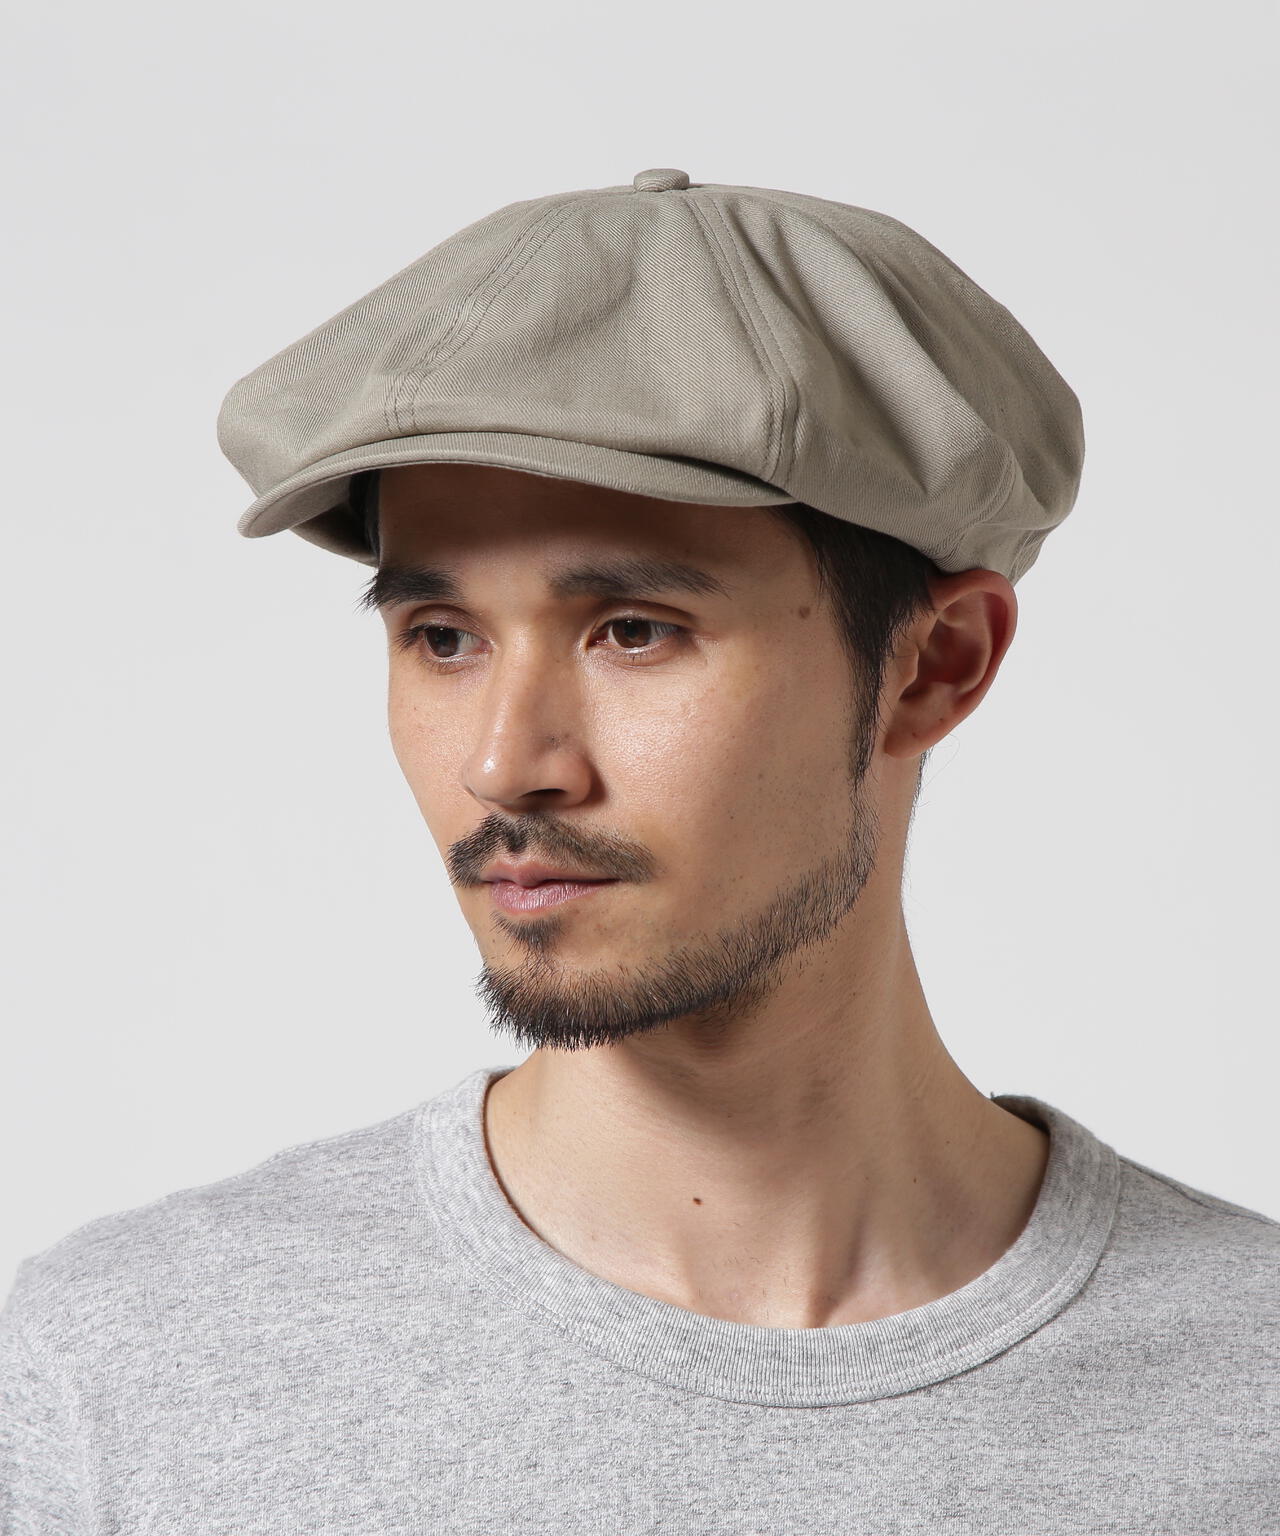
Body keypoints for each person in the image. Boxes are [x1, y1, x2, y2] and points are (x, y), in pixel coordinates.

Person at [2, 168, 1276, 1532]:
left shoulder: (1245, 1395)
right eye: (444, 638)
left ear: (934, 666)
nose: (506, 764)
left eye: (632, 631)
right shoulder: (123, 1379)